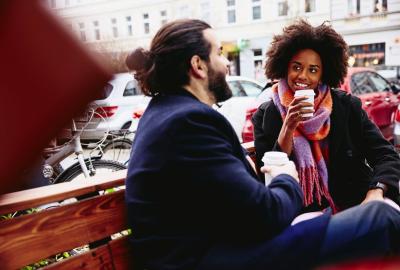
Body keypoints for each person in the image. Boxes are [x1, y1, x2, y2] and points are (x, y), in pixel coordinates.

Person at [125, 19, 400, 270]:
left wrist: (376, 190)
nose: (226, 63)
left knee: (377, 210)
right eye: (219, 53)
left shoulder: (170, 113)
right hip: (217, 256)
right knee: (381, 219)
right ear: (198, 65)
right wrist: (287, 176)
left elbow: (239, 199)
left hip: (223, 245)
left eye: (313, 70)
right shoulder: (189, 120)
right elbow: (264, 210)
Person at [252, 19, 400, 213]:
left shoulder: (346, 106)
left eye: (313, 70)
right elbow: (268, 175)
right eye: (296, 67)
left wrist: (376, 190)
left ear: (323, 75)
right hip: (302, 214)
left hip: (355, 206)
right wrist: (288, 126)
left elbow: (386, 155)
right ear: (285, 67)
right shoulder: (266, 114)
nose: (303, 76)